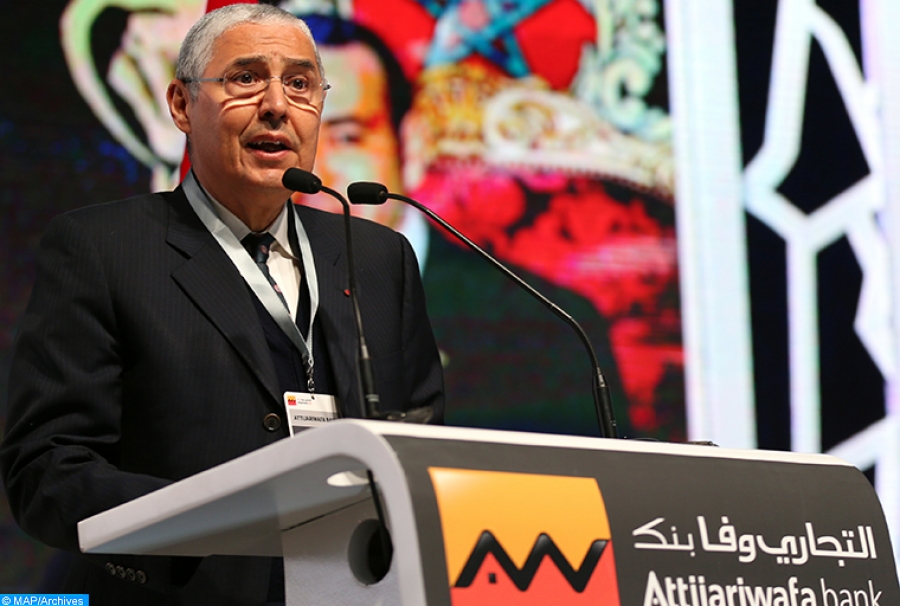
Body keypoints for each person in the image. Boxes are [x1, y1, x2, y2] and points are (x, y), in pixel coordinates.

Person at [0, 4, 443, 604]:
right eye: (246, 78)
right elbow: (46, 468)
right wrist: (202, 522)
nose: (277, 105)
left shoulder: (377, 257)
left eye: (300, 83)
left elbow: (425, 444)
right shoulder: (103, 248)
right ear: (181, 105)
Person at [294, 13, 629, 436]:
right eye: (289, 141)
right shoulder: (240, 304)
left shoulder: (541, 327)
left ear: (412, 145)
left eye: (346, 138)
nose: (313, 171)